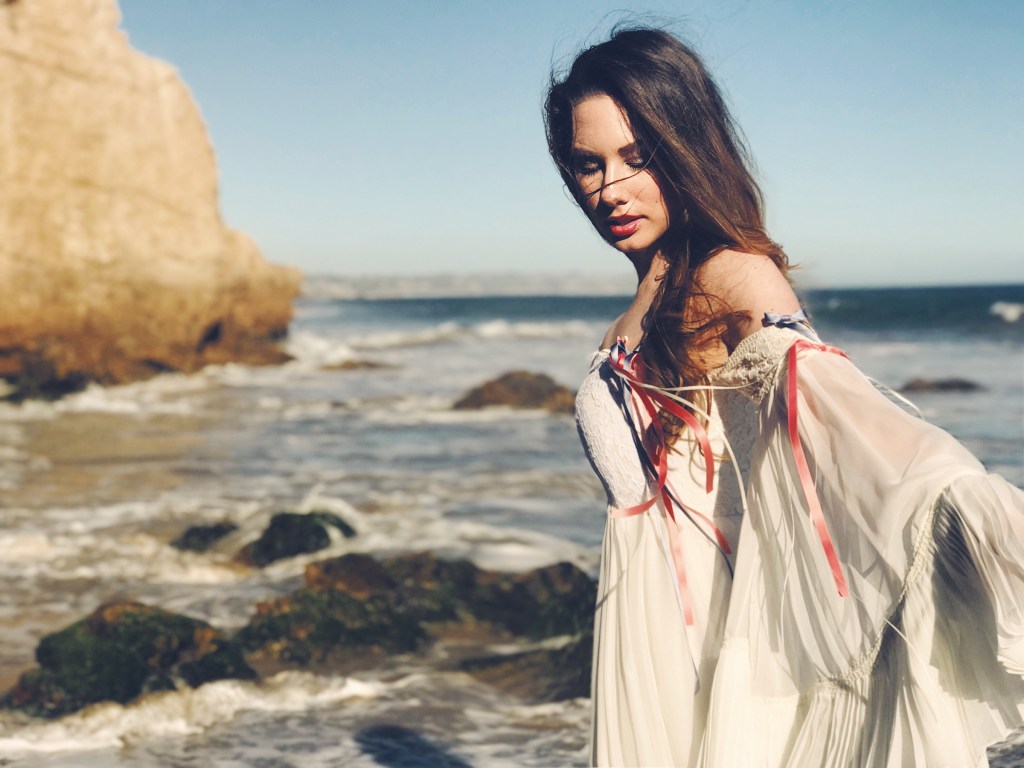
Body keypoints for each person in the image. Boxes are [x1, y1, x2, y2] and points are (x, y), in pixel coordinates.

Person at [545, 26, 1024, 767]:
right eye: (588, 164)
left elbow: (844, 413)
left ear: (685, 145)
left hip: (712, 629)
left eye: (637, 158)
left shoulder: (734, 274)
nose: (610, 188)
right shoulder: (645, 297)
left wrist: (973, 511)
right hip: (647, 622)